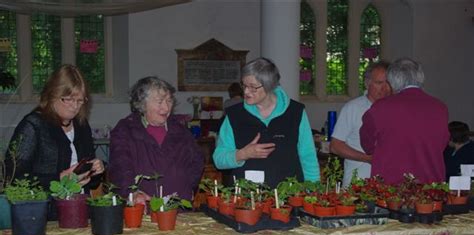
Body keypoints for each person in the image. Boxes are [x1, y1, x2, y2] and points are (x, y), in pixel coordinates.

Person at [4, 64, 105, 235]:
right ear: (51, 95)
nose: (74, 106)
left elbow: (86, 178)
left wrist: (95, 170)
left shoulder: (81, 125)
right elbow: (13, 178)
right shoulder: (33, 125)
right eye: (68, 99)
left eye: (80, 101)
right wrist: (57, 178)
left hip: (75, 214)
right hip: (38, 218)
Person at [213, 57, 320, 188]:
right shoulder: (234, 115)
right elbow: (219, 160)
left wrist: (313, 191)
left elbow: (308, 157)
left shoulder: (295, 112)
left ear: (269, 86)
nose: (246, 92)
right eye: (244, 85)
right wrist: (243, 154)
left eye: (253, 87)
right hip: (246, 199)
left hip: (289, 196)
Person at [109, 76, 204, 204]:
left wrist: (188, 187)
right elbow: (120, 166)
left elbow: (197, 161)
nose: (166, 108)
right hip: (143, 208)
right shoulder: (126, 130)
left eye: (169, 101)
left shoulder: (181, 131)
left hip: (178, 208)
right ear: (142, 104)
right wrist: (132, 193)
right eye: (160, 102)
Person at [360, 57, 449, 184]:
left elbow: (367, 145)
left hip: (391, 187)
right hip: (430, 184)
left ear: (392, 81)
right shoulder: (440, 107)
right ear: (420, 78)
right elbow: (442, 143)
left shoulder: (381, 108)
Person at [330, 61, 391, 187]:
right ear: (367, 83)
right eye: (379, 83)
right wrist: (367, 158)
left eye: (388, 83)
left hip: (388, 184)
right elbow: (335, 146)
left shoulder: (395, 109)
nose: (384, 88)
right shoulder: (353, 108)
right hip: (358, 183)